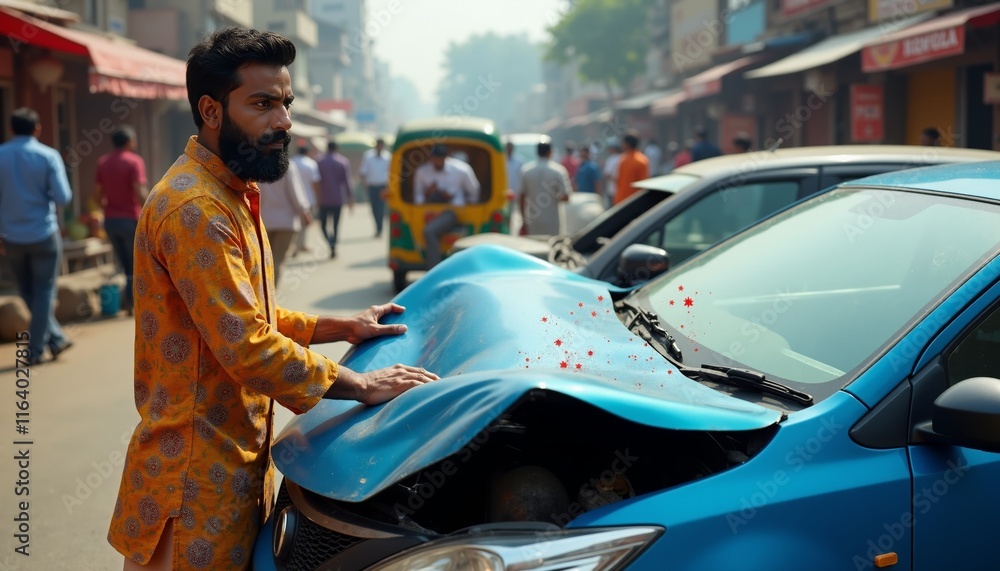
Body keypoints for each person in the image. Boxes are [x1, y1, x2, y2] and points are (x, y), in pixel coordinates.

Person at [106, 27, 438, 571]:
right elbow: (246, 345)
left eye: (285, 102)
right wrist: (360, 384)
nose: (283, 121)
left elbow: (246, 317)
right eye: (262, 103)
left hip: (228, 470)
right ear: (211, 111)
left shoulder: (231, 193)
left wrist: (343, 327)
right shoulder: (196, 209)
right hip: (190, 487)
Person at [0, 107, 73, 365]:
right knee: (43, 292)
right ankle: (36, 349)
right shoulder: (48, 156)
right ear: (37, 129)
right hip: (43, 233)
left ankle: (55, 338)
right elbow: (63, 197)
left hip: (11, 236)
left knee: (28, 291)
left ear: (10, 129)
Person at [94, 125, 149, 315]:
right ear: (129, 142)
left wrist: (106, 208)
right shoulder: (134, 161)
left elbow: (97, 194)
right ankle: (135, 303)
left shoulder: (103, 162)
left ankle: (129, 302)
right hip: (130, 219)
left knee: (124, 262)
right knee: (136, 263)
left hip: (111, 220)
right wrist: (150, 210)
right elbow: (139, 190)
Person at [413, 144, 480, 268]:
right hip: (427, 213)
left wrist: (457, 199)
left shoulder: (461, 170)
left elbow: (474, 193)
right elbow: (418, 197)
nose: (437, 161)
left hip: (453, 212)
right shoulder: (422, 172)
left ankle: (434, 269)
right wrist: (428, 194)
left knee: (429, 232)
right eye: (435, 158)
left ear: (446, 157)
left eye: (440, 158)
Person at [259, 160, 311, 287]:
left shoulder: (258, 163)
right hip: (286, 222)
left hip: (264, 221)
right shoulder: (287, 166)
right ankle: (271, 297)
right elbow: (296, 194)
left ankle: (263, 294)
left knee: (263, 261)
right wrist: (304, 213)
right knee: (277, 261)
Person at [520, 140, 572, 235]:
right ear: (550, 152)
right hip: (552, 221)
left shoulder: (527, 170)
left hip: (533, 220)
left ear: (537, 152)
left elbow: (522, 197)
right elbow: (566, 197)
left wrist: (523, 220)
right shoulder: (558, 171)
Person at [316, 140, 355, 258]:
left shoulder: (319, 161)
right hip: (338, 199)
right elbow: (347, 182)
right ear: (336, 148)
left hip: (323, 199)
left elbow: (315, 182)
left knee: (323, 224)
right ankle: (333, 244)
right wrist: (350, 198)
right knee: (336, 225)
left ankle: (330, 242)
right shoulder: (342, 161)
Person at [290, 145, 320, 256]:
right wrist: (318, 197)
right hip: (309, 198)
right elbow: (315, 182)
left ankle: (296, 245)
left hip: (293, 198)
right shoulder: (311, 164)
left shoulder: (291, 163)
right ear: (307, 152)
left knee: (296, 223)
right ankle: (300, 244)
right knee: (304, 223)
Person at [360, 137, 390, 237]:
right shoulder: (368, 156)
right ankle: (377, 227)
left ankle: (380, 229)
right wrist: (364, 184)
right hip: (372, 186)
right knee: (374, 208)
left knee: (381, 208)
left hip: (383, 186)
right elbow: (363, 172)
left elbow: (392, 173)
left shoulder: (388, 157)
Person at [613, 132, 650, 206]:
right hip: (635, 202)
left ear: (627, 144)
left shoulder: (622, 160)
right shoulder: (642, 160)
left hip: (621, 200)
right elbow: (644, 184)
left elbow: (618, 181)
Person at [504, 140, 524, 235]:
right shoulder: (501, 161)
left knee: (516, 214)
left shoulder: (518, 162)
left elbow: (521, 177)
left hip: (516, 192)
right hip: (504, 193)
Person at [601, 143, 621, 210]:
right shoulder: (623, 157)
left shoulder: (611, 159)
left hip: (612, 189)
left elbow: (607, 174)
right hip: (622, 188)